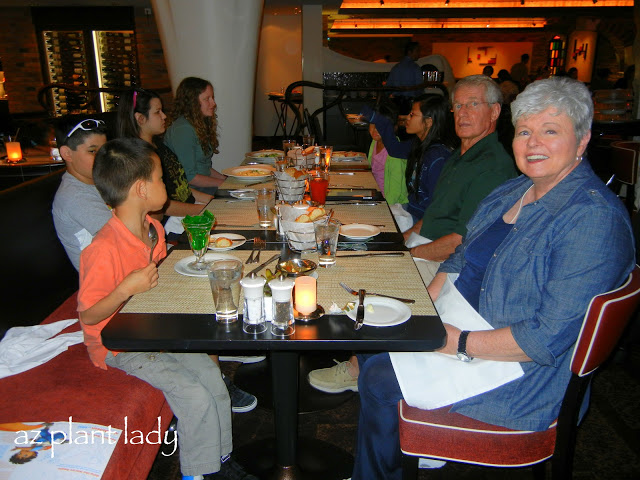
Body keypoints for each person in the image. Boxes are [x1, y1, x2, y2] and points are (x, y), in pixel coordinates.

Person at [350, 76, 635, 480]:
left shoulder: (592, 221)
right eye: (524, 132)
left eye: (550, 131)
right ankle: (402, 452)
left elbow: (544, 339)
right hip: (466, 322)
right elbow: (459, 257)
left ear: (583, 139)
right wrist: (423, 305)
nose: (533, 143)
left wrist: (455, 342)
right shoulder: (514, 190)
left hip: (521, 374)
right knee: (372, 336)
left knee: (378, 376)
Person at [78, 138, 258, 480]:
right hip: (118, 345)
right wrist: (123, 290)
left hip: (152, 331)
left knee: (212, 381)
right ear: (142, 189)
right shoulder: (102, 250)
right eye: (161, 179)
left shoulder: (154, 229)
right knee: (194, 397)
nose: (167, 186)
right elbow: (88, 316)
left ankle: (220, 458)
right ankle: (197, 472)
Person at [307, 94, 455, 394]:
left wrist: (409, 235)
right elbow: (397, 146)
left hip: (418, 225)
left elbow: (434, 209)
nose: (407, 119)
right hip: (410, 218)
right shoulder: (422, 147)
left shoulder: (439, 157)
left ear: (429, 121)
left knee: (366, 253)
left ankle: (358, 363)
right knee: (351, 236)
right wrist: (375, 120)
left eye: (413, 114)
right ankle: (352, 340)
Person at [405, 75, 517, 276]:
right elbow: (432, 217)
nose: (462, 113)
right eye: (457, 106)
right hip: (425, 249)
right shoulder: (458, 155)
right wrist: (396, 243)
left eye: (473, 104)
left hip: (450, 266)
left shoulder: (492, 167)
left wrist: (408, 254)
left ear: (495, 111)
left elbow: (461, 242)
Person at [116, 88, 213, 238]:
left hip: (187, 213)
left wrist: (211, 201)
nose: (164, 116)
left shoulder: (158, 146)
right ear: (140, 118)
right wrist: (201, 209)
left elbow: (180, 186)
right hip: (172, 225)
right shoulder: (136, 158)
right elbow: (161, 206)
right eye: (158, 112)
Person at [52, 117, 110, 271]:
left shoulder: (100, 181)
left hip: (126, 272)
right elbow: (127, 239)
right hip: (107, 287)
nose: (103, 158)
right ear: (67, 154)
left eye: (104, 150)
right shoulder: (75, 196)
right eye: (93, 151)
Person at [164, 77, 227, 195]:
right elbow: (190, 177)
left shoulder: (195, 124)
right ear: (192, 102)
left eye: (212, 98)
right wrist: (225, 184)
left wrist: (225, 180)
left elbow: (203, 167)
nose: (213, 103)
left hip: (201, 186)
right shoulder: (183, 129)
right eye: (207, 99)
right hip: (192, 191)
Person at [365, 101, 408, 205]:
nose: (375, 129)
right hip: (377, 196)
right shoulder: (375, 142)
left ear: (394, 128)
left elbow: (395, 191)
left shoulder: (395, 152)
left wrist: (383, 206)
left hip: (393, 203)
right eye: (373, 124)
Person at [386, 41, 424, 114]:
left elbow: (388, 87)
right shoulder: (415, 68)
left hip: (396, 103)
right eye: (417, 51)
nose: (419, 54)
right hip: (409, 103)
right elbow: (419, 88)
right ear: (410, 52)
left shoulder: (396, 67)